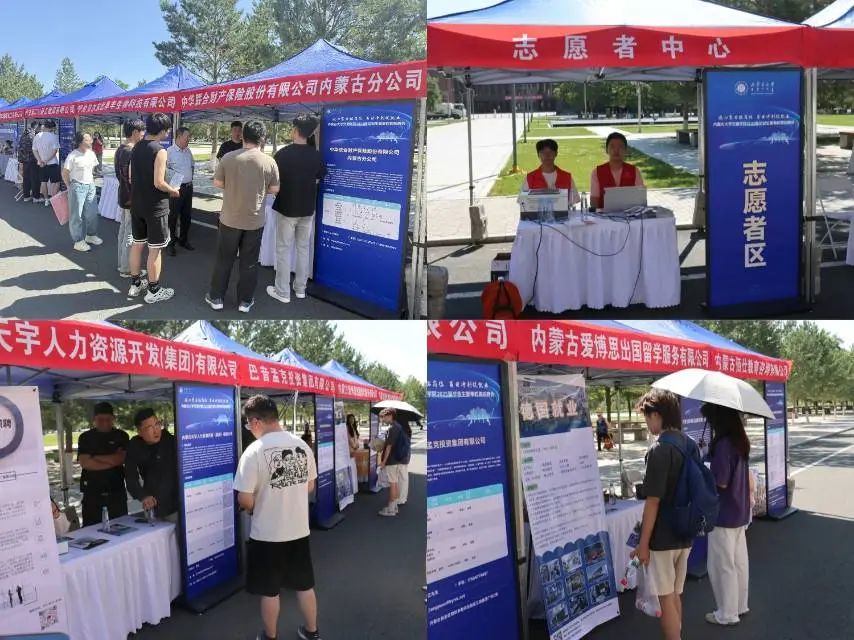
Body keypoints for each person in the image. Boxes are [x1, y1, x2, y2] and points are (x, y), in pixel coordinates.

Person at [234, 395, 320, 640]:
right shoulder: (302, 446)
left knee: (270, 591)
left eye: (248, 424)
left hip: (267, 534)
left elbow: (244, 499)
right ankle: (312, 632)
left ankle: (270, 636)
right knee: (305, 586)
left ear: (256, 421)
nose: (249, 428)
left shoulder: (254, 452)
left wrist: (257, 506)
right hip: (299, 530)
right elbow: (310, 486)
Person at [631, 389, 695, 640]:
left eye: (647, 417)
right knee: (675, 593)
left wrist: (643, 544)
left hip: (663, 536)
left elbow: (653, 502)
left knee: (665, 597)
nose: (647, 424)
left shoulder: (659, 450)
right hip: (685, 530)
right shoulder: (689, 444)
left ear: (657, 415)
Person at [206, 120, 279, 314]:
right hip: (254, 221)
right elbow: (274, 189)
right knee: (249, 263)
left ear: (243, 136)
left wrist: (234, 186)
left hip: (229, 219)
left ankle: (216, 297)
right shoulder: (269, 161)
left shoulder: (228, 158)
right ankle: (245, 301)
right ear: (262, 138)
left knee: (224, 259)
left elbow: (217, 183)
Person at [267, 114, 326, 305]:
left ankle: (282, 291)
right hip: (307, 209)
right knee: (303, 249)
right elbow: (319, 177)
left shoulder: (282, 154)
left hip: (287, 209)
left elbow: (273, 182)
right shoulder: (316, 155)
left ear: (295, 131)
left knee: (283, 250)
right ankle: (300, 289)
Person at [702, 403, 751, 627]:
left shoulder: (723, 444)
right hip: (739, 511)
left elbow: (720, 481)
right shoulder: (739, 441)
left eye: (711, 419)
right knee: (739, 562)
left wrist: (703, 470)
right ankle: (740, 605)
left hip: (723, 513)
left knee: (722, 565)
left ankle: (727, 613)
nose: (709, 424)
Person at [128, 112, 180, 304]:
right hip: (155, 207)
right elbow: (159, 182)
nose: (169, 133)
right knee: (155, 249)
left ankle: (135, 283)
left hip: (137, 205)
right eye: (168, 130)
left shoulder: (136, 147)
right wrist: (173, 190)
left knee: (137, 245)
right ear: (163, 130)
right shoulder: (160, 150)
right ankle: (154, 290)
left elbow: (131, 177)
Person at [76, 402, 130, 526]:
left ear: (113, 419)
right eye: (100, 419)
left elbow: (121, 459)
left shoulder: (122, 436)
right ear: (94, 419)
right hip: (92, 494)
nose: (105, 423)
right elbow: (85, 463)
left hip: (116, 492)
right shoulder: (85, 437)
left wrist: (94, 457)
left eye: (108, 419)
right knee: (91, 530)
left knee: (122, 528)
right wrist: (113, 460)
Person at [124, 408, 179, 522]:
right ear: (140, 432)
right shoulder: (135, 446)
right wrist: (142, 496)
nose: (156, 430)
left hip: (176, 505)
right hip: (152, 504)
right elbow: (130, 477)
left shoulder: (172, 442)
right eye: (149, 427)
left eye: (157, 424)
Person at [115, 119, 146, 278]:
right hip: (132, 199)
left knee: (123, 230)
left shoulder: (120, 149)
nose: (143, 135)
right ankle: (126, 268)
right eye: (142, 132)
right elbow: (133, 179)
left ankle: (122, 263)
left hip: (123, 196)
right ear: (134, 132)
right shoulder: (132, 152)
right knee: (130, 233)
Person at [62, 132, 102, 252]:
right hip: (77, 186)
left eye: (90, 139)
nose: (91, 141)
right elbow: (65, 173)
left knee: (92, 213)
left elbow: (92, 169)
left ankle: (91, 235)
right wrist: (70, 186)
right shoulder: (72, 156)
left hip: (90, 186)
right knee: (76, 216)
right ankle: (78, 241)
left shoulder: (92, 154)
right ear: (80, 142)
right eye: (88, 139)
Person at [590, 132, 645, 210]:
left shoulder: (634, 171)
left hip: (630, 214)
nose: (616, 150)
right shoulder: (596, 172)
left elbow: (641, 199)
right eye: (612, 146)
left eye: (620, 147)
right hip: (604, 215)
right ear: (607, 150)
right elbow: (594, 201)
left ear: (625, 150)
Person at [519, 138, 580, 209]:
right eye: (543, 152)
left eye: (550, 152)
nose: (547, 155)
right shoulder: (530, 178)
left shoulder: (567, 177)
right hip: (537, 215)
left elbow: (573, 202)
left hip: (563, 215)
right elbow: (523, 203)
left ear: (556, 153)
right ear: (538, 155)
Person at [166, 126, 196, 256]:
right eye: (187, 137)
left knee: (186, 216)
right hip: (175, 189)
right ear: (179, 137)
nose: (189, 139)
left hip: (188, 188)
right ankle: (170, 243)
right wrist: (170, 187)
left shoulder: (188, 151)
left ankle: (183, 240)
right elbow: (164, 172)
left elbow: (192, 166)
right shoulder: (169, 152)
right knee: (172, 217)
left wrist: (189, 179)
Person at [378, 408, 409, 517]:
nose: (382, 419)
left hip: (391, 460)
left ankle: (391, 509)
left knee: (393, 484)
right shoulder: (397, 426)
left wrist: (383, 462)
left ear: (390, 416)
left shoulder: (393, 428)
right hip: (396, 460)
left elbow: (389, 447)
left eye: (383, 416)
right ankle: (394, 507)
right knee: (394, 483)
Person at [32, 120, 60, 206]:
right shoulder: (54, 136)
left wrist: (40, 160)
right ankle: (53, 200)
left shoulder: (37, 136)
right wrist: (46, 160)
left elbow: (34, 150)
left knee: (43, 182)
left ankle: (46, 200)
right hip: (52, 163)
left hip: (41, 164)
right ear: (52, 128)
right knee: (56, 182)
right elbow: (55, 151)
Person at [17, 121, 40, 203]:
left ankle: (26, 196)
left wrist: (20, 160)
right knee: (35, 179)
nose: (39, 129)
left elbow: (20, 148)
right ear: (36, 126)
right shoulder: (33, 135)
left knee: (26, 179)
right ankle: (36, 197)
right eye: (39, 127)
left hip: (25, 160)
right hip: (33, 159)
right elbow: (36, 148)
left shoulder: (24, 134)